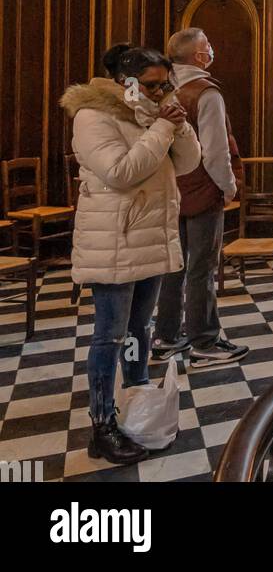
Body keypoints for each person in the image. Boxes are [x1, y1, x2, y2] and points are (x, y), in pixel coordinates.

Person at [61, 47, 201, 465]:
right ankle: (101, 425)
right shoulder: (92, 116)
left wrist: (179, 127)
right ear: (127, 82)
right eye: (154, 85)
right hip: (114, 241)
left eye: (166, 85)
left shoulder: (150, 112)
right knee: (109, 336)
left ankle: (136, 403)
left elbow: (189, 164)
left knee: (141, 328)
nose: (162, 93)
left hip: (150, 236)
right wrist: (161, 126)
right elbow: (121, 173)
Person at [152, 28, 249, 369]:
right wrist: (228, 186)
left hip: (171, 187)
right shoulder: (206, 93)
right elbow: (216, 151)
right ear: (197, 56)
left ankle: (165, 336)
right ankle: (204, 341)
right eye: (208, 44)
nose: (211, 48)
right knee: (202, 267)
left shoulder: (165, 89)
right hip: (203, 187)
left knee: (174, 265)